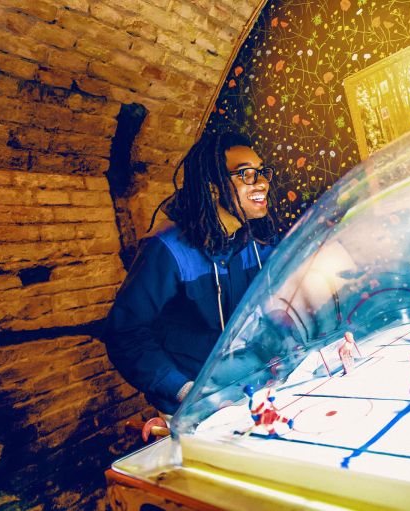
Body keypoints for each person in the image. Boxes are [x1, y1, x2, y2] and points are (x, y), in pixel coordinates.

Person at [102, 131, 279, 415]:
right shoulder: (167, 249)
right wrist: (185, 390)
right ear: (213, 187)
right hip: (195, 407)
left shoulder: (258, 241)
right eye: (246, 174)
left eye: (261, 172)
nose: (262, 183)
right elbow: (124, 332)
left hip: (251, 391)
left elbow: (288, 300)